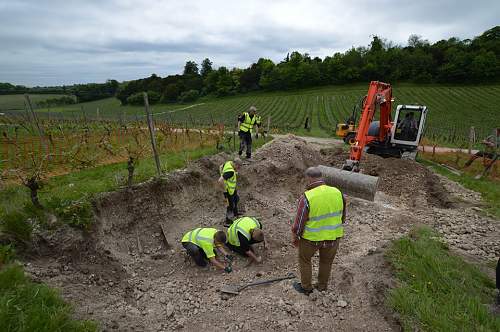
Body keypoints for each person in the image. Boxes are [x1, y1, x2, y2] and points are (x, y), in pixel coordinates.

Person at [291, 167, 346, 295]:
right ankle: (322, 286)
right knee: (326, 262)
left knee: (304, 260)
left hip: (311, 239)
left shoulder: (307, 197)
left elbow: (299, 224)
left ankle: (306, 288)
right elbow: (342, 217)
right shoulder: (337, 192)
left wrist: (295, 237)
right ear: (321, 177)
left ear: (308, 179)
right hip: (333, 237)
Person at [218, 159, 242, 225]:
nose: (238, 169)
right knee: (230, 205)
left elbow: (220, 167)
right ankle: (228, 221)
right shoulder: (230, 172)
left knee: (236, 199)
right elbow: (220, 181)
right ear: (235, 164)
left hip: (232, 189)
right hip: (228, 191)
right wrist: (225, 190)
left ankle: (236, 214)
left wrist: (222, 174)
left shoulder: (228, 163)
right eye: (238, 167)